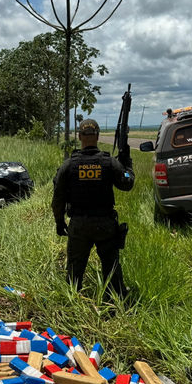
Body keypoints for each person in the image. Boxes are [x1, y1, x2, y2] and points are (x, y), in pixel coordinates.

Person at [52, 118, 134, 298]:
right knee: (111, 267)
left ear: (80, 136)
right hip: (105, 224)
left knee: (74, 271)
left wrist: (59, 222)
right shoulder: (109, 162)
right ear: (97, 136)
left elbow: (58, 198)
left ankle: (72, 305)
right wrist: (127, 165)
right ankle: (116, 302)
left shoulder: (69, 165)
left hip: (79, 225)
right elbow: (127, 182)